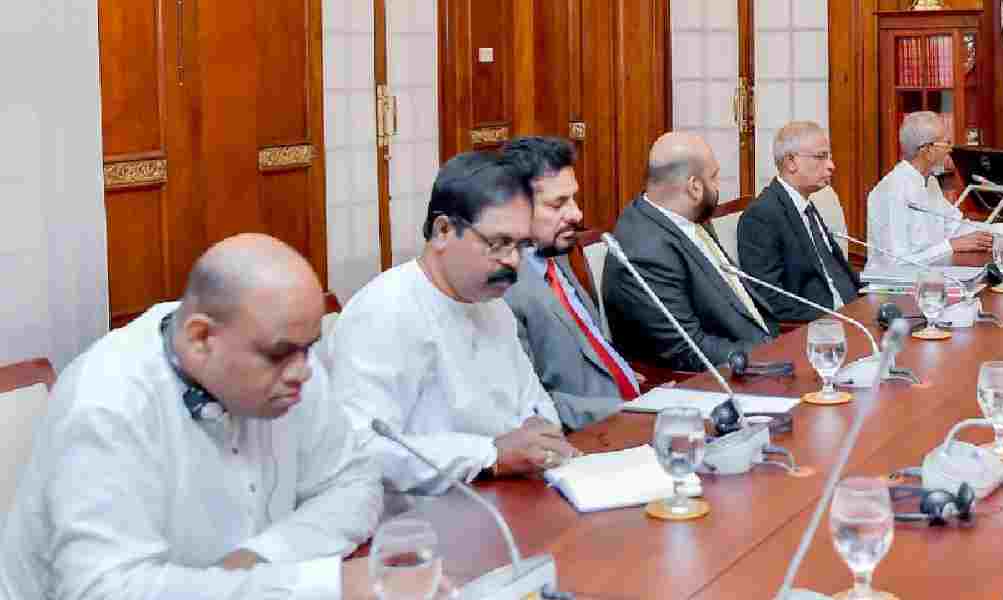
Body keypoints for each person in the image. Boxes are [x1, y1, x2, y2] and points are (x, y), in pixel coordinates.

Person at [2, 234, 385, 599]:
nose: (302, 372)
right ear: (201, 338)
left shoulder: (288, 359)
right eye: (280, 354)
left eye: (309, 348)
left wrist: (260, 558)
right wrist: (315, 586)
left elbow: (354, 483)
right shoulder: (107, 402)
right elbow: (104, 591)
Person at [332, 151, 577, 496]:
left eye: (521, 245)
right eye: (499, 243)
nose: (512, 261)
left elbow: (535, 403)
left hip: (506, 494)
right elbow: (363, 449)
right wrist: (490, 455)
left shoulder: (493, 306)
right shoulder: (384, 312)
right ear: (443, 231)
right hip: (423, 512)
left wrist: (538, 431)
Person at [605, 132, 779, 372]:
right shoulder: (644, 251)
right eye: (714, 177)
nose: (718, 186)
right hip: (717, 377)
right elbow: (689, 349)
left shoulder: (687, 215)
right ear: (695, 187)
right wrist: (769, 354)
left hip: (762, 348)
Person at [500, 136, 639, 430]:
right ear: (516, 208)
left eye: (573, 199)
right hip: (591, 434)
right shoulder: (502, 291)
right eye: (558, 204)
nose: (577, 214)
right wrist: (629, 413)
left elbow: (592, 351)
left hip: (633, 406)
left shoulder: (555, 255)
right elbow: (532, 408)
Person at [865, 111, 1003, 268]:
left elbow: (959, 228)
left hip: (931, 277)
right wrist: (951, 246)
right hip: (892, 289)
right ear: (927, 150)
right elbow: (895, 263)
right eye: (946, 142)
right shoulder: (893, 191)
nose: (950, 149)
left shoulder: (930, 182)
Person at [737, 121, 862, 321]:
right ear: (791, 162)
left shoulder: (807, 206)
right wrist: (835, 318)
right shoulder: (761, 215)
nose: (831, 166)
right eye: (821, 156)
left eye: (829, 157)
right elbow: (770, 298)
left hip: (854, 313)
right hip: (817, 326)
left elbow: (836, 271)